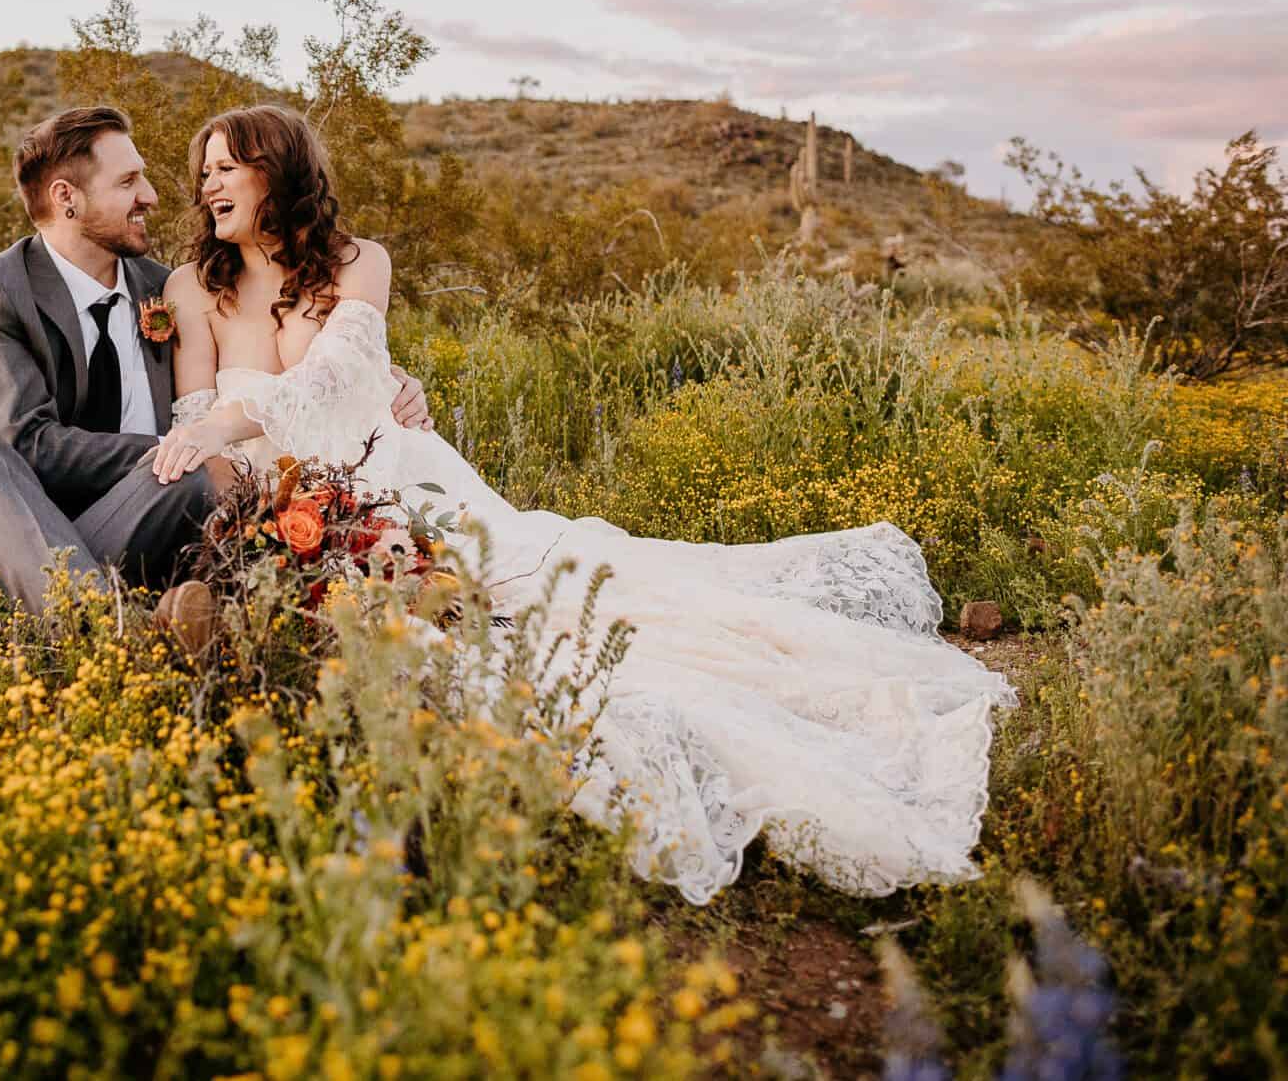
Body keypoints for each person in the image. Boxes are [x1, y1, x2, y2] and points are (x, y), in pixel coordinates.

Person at [149, 103, 1018, 905]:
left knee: (551, 611)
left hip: (397, 476)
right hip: (284, 497)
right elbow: (192, 416)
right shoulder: (194, 286)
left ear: (279, 171)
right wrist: (246, 512)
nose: (208, 184)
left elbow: (338, 376)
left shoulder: (357, 260)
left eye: (227, 166)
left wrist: (259, 412)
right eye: (204, 172)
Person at [0, 105, 431, 718]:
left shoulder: (169, 287)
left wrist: (380, 378)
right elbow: (24, 443)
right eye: (128, 183)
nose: (151, 195)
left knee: (199, 472)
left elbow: (260, 372)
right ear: (67, 198)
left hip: (129, 528)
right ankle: (117, 645)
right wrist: (186, 448)